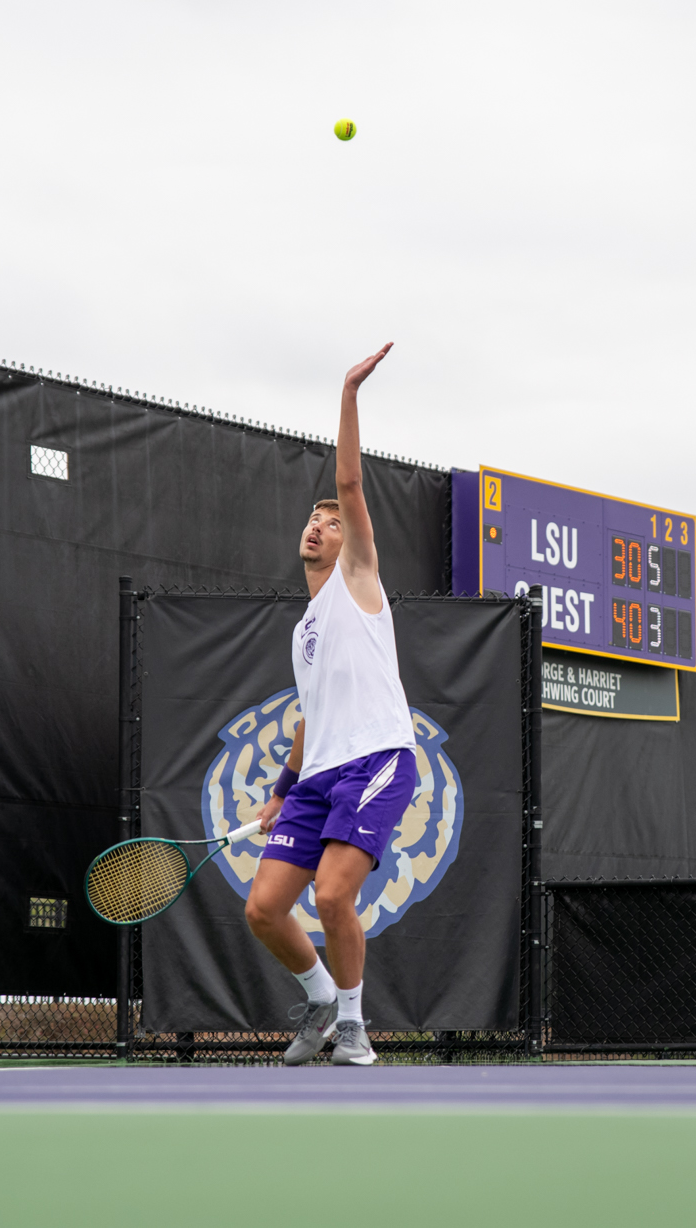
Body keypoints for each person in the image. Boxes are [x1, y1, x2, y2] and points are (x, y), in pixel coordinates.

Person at [243, 342, 417, 1067]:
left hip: (378, 759)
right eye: (312, 521)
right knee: (262, 909)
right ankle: (318, 997)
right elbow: (309, 718)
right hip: (317, 778)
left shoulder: (360, 580)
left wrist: (348, 393)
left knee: (332, 895)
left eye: (333, 520)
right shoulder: (303, 629)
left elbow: (348, 478)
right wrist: (283, 791)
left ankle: (353, 1025)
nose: (320, 524)